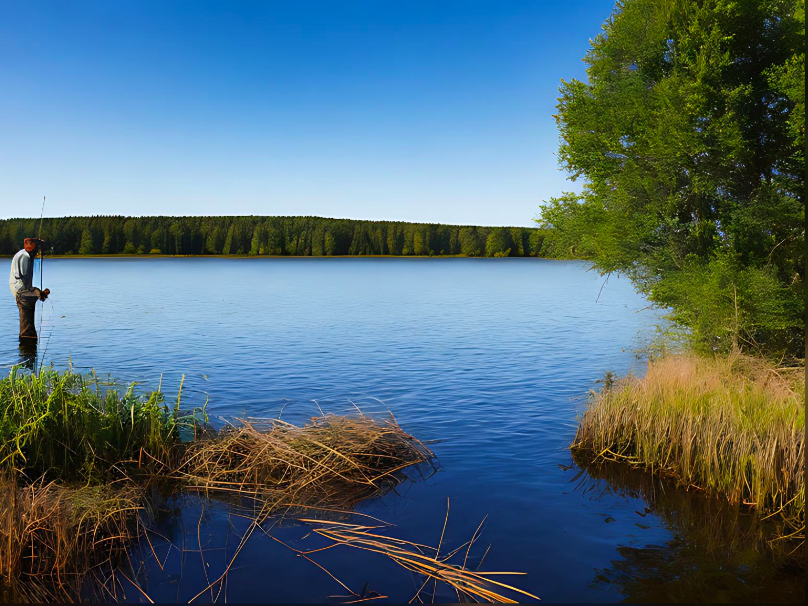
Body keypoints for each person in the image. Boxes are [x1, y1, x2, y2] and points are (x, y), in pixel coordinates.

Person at [8, 238, 50, 341]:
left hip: (21, 288)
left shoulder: (27, 254)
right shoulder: (24, 256)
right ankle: (27, 340)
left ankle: (27, 341)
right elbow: (23, 276)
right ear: (30, 245)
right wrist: (36, 293)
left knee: (28, 319)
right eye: (37, 246)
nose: (39, 250)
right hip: (19, 288)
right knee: (27, 313)